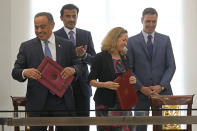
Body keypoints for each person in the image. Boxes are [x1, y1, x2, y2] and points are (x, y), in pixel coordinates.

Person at [12, 12, 80, 131]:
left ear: (52, 25)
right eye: (36, 27)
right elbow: (15, 71)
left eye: (42, 27)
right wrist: (25, 72)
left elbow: (80, 66)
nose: (38, 30)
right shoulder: (26, 47)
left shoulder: (67, 45)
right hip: (37, 103)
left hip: (63, 101)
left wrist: (73, 70)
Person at [126, 7, 176, 131]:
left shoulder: (166, 39)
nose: (151, 24)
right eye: (148, 21)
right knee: (139, 128)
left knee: (168, 128)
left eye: (154, 21)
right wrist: (141, 87)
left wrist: (161, 86)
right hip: (139, 94)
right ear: (142, 20)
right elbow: (129, 69)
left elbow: (171, 66)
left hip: (163, 93)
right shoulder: (131, 41)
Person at [54, 4, 96, 131]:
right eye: (68, 16)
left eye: (74, 16)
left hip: (82, 87)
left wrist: (83, 55)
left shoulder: (86, 34)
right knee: (64, 126)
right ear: (61, 18)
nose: (71, 19)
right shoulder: (54, 36)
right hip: (62, 87)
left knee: (83, 125)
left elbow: (94, 61)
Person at [89, 27, 136, 131]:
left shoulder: (124, 57)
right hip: (105, 104)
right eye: (123, 40)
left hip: (124, 103)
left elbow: (126, 76)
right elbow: (91, 81)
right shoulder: (100, 57)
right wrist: (105, 84)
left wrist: (132, 80)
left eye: (126, 41)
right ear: (114, 39)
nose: (125, 44)